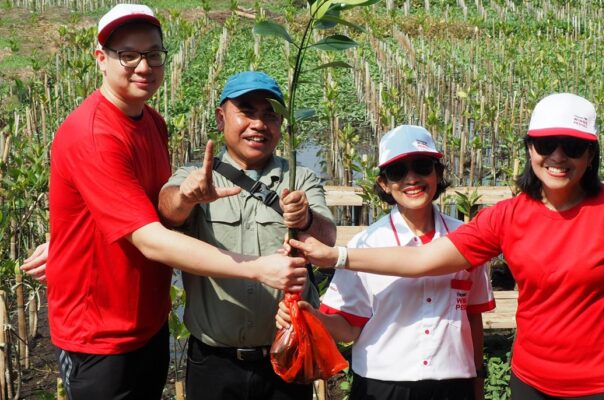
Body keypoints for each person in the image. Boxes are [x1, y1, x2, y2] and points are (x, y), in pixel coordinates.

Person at [288, 94, 604, 399]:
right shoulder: (506, 217)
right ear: (530, 149)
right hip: (531, 380)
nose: (558, 157)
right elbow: (424, 260)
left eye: (573, 147)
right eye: (546, 145)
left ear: (591, 155)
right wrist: (336, 256)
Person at [25, 5, 308, 399]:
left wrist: (70, 239)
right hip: (100, 333)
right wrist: (259, 268)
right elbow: (150, 238)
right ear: (101, 59)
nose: (143, 66)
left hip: (148, 322)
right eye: (128, 55)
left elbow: (134, 204)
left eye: (153, 54)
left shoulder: (151, 121)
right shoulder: (93, 134)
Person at [276, 125, 494, 400]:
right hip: (382, 386)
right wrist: (312, 315)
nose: (411, 178)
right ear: (384, 184)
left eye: (422, 166)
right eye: (398, 172)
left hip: (453, 385)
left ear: (438, 173)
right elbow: (348, 328)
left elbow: (473, 316)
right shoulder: (365, 244)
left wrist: (477, 378)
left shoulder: (466, 240)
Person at [158, 71, 337, 400]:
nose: (259, 124)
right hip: (213, 363)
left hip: (285, 353)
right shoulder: (197, 175)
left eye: (270, 114)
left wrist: (306, 217)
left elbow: (327, 239)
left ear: (281, 125)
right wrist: (187, 196)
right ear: (220, 117)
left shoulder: (299, 177)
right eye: (247, 111)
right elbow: (168, 210)